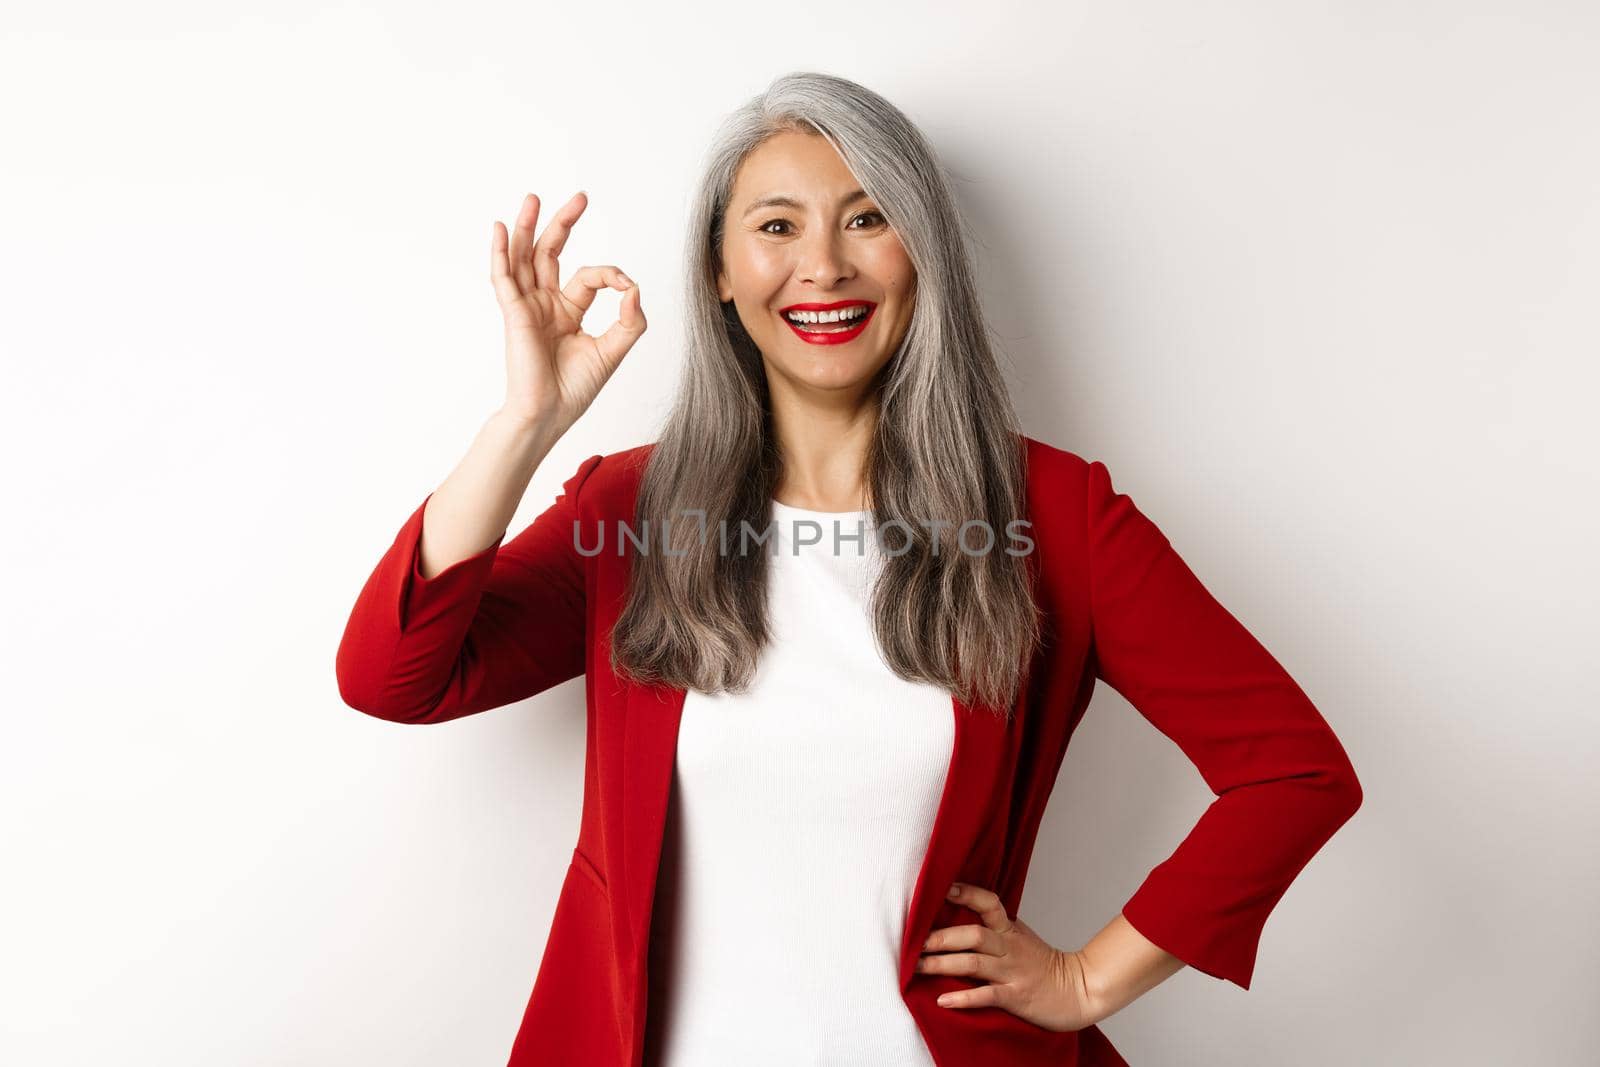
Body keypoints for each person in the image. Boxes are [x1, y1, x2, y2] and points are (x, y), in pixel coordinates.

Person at [335, 71, 1362, 1067]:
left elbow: (1292, 771)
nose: (823, 266)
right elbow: (395, 677)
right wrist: (527, 423)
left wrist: (1088, 977)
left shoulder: (1052, 516)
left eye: (868, 218)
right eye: (776, 226)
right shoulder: (634, 512)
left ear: (925, 254)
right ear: (719, 273)